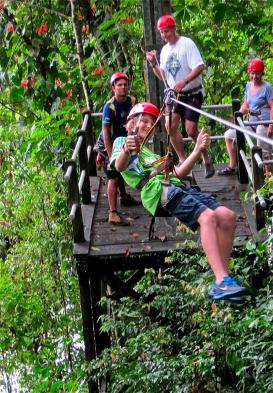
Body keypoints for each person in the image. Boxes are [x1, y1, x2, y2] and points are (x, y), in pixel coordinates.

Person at [110, 102, 249, 301]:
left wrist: (197, 150)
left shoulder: (150, 153)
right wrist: (125, 149)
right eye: (145, 122)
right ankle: (221, 280)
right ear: (132, 123)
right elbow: (119, 165)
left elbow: (177, 174)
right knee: (207, 217)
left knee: (227, 217)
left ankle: (225, 279)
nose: (149, 126)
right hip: (157, 192)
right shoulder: (123, 141)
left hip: (175, 186)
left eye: (151, 123)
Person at [145, 15, 215, 178]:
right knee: (170, 125)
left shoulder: (186, 44)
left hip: (192, 92)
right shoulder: (164, 50)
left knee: (191, 130)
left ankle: (206, 158)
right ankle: (183, 160)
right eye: (162, 33)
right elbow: (163, 76)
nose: (164, 36)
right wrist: (153, 64)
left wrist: (184, 80)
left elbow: (199, 66)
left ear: (174, 29)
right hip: (176, 95)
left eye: (167, 31)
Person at [218, 58, 273, 175]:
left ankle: (268, 177)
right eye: (252, 73)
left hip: (264, 123)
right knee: (229, 136)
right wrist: (237, 116)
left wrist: (271, 126)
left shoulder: (267, 88)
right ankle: (233, 166)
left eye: (257, 73)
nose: (254, 76)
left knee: (262, 149)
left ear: (262, 73)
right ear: (249, 73)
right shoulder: (248, 86)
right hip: (250, 122)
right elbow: (246, 103)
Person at [99, 72, 141, 225]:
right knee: (113, 175)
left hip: (123, 140)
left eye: (125, 85)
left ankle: (124, 197)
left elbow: (137, 119)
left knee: (122, 169)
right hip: (108, 142)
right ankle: (112, 212)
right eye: (119, 85)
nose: (123, 88)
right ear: (113, 87)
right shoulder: (109, 106)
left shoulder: (132, 101)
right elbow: (105, 132)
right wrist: (110, 156)